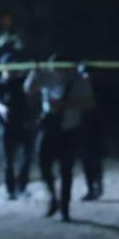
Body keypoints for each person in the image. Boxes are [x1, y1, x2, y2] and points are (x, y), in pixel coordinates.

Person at [25, 54, 94, 221]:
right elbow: (28, 90)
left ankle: (65, 207)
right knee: (43, 164)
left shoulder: (79, 80)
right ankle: (52, 198)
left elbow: (90, 103)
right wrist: (33, 73)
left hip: (69, 129)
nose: (55, 70)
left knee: (66, 170)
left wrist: (64, 104)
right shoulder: (46, 76)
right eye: (53, 67)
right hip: (49, 127)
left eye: (59, 67)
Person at [0, 53, 33, 200]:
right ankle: (10, 190)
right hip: (6, 128)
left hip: (24, 126)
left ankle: (22, 187)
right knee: (8, 162)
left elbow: (32, 90)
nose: (13, 70)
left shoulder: (22, 82)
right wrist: (2, 108)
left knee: (27, 159)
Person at [77, 62, 105, 201]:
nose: (86, 76)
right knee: (86, 159)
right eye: (83, 73)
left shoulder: (99, 88)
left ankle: (97, 185)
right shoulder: (77, 88)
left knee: (95, 158)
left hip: (96, 127)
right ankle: (90, 188)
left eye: (88, 73)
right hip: (81, 127)